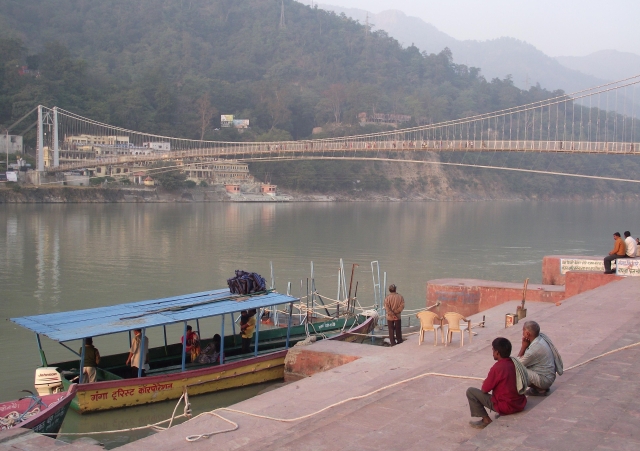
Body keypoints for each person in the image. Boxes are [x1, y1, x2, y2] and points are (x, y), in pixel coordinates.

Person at [466, 337, 527, 429]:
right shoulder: (514, 362)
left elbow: (484, 390)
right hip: (520, 403)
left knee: (471, 391)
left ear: (497, 352)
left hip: (507, 406)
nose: (493, 353)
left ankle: (486, 420)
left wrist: (488, 382)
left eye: (493, 350)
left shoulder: (497, 368)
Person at [517, 321, 563, 396]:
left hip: (545, 380)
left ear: (527, 334)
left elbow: (517, 364)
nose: (522, 333)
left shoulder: (534, 349)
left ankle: (540, 389)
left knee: (515, 371)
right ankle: (538, 388)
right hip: (548, 376)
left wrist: (523, 347)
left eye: (523, 331)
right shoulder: (541, 336)